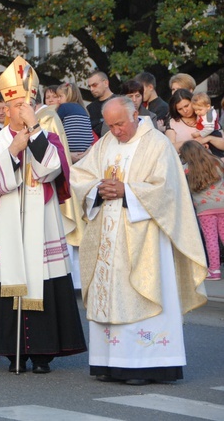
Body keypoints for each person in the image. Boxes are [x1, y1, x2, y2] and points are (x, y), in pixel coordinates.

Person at [71, 96, 208, 385]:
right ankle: (109, 362)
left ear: (135, 115)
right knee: (110, 293)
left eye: (120, 123)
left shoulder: (156, 144)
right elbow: (80, 174)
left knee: (140, 292)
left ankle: (146, 366)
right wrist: (97, 188)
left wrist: (127, 191)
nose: (116, 130)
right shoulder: (106, 142)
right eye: (110, 125)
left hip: (144, 237)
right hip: (108, 236)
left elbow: (168, 190)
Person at [0, 56, 86, 374]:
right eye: (17, 105)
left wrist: (34, 133)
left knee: (44, 283)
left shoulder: (47, 137)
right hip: (5, 225)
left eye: (28, 105)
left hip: (42, 226)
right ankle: (12, 351)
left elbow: (51, 170)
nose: (22, 110)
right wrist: (11, 152)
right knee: (6, 284)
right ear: (5, 107)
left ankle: (42, 353)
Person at [179, 141, 224, 281]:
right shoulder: (217, 162)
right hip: (222, 205)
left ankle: (215, 270)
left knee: (211, 240)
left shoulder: (186, 169)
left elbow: (176, 171)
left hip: (204, 210)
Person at [56, 83, 94, 161]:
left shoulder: (64, 107)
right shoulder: (83, 109)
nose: (58, 100)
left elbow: (55, 123)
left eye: (60, 96)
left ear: (69, 95)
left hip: (70, 149)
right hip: (85, 149)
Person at [86, 71, 116, 137]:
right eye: (89, 86)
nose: (91, 89)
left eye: (94, 85)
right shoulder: (89, 108)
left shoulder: (120, 102)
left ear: (105, 83)